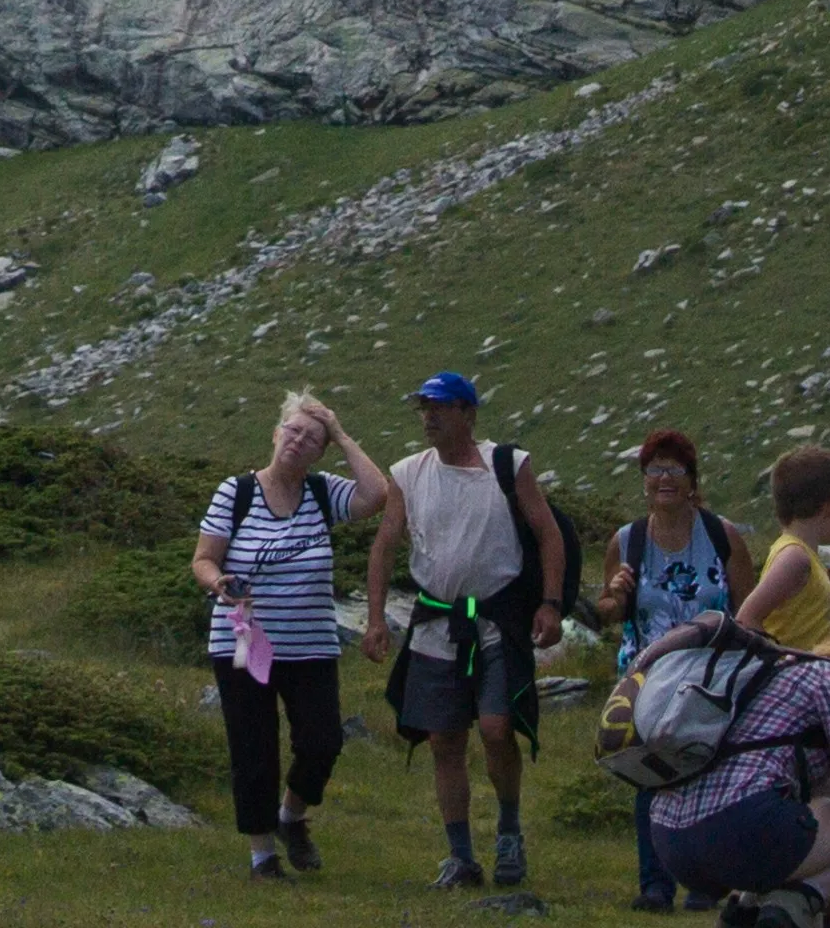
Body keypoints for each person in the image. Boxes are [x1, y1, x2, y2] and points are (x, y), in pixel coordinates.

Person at [369, 369, 569, 891]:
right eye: (424, 408)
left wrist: (550, 603)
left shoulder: (509, 465)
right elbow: (385, 544)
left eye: (440, 407)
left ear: (468, 413)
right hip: (436, 623)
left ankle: (509, 831)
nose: (429, 417)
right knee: (444, 739)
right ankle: (460, 855)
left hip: (497, 622)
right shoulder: (408, 474)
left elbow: (548, 533)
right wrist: (375, 619)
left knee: (497, 728)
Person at [196, 387, 386, 882]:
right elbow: (203, 558)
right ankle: (262, 856)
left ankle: (291, 817)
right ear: (276, 433)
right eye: (293, 430)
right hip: (242, 641)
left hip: (311, 645)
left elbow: (376, 495)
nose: (298, 442)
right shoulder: (236, 492)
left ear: (321, 451)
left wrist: (341, 433)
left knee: (322, 742)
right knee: (253, 748)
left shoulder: (324, 493)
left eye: (312, 438)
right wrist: (218, 583)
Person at [641, 618, 830, 927]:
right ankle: (798, 901)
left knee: (800, 807)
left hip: (670, 839)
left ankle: (744, 909)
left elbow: (790, 779)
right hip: (738, 828)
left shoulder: (781, 668)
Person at [597, 432, 752, 911]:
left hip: (711, 678)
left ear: (692, 481)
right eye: (654, 469)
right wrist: (616, 595)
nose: (664, 478)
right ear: (644, 480)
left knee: (709, 775)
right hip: (648, 681)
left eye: (674, 469)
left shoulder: (722, 535)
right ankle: (655, 886)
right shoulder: (627, 541)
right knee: (653, 775)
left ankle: (706, 884)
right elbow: (606, 612)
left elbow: (749, 610)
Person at [735, 445, 830, 645]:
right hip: (795, 665)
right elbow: (746, 619)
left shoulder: (800, 554)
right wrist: (783, 658)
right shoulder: (795, 557)